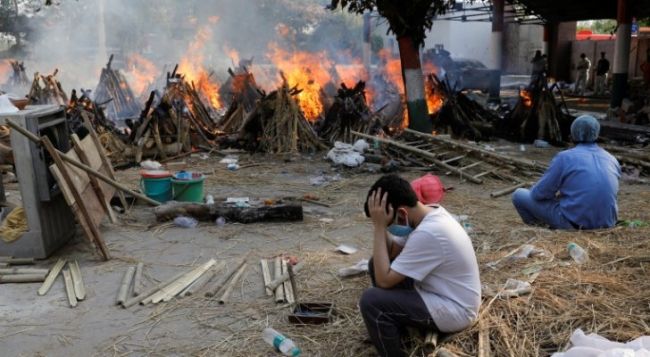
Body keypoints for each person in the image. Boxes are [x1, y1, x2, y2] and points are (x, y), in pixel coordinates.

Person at [359, 174, 481, 357]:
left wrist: (378, 227)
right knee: (374, 263)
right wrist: (381, 224)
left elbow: (384, 281)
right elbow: (392, 253)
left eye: (388, 223)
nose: (386, 226)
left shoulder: (429, 233)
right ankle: (396, 328)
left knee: (371, 301)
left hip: (456, 309)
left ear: (401, 214)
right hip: (440, 293)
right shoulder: (428, 214)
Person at [512, 115, 621, 230]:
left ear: (573, 133)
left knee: (519, 195)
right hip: (607, 224)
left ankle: (541, 231)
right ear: (597, 133)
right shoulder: (611, 158)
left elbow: (538, 194)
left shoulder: (565, 157)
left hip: (575, 224)